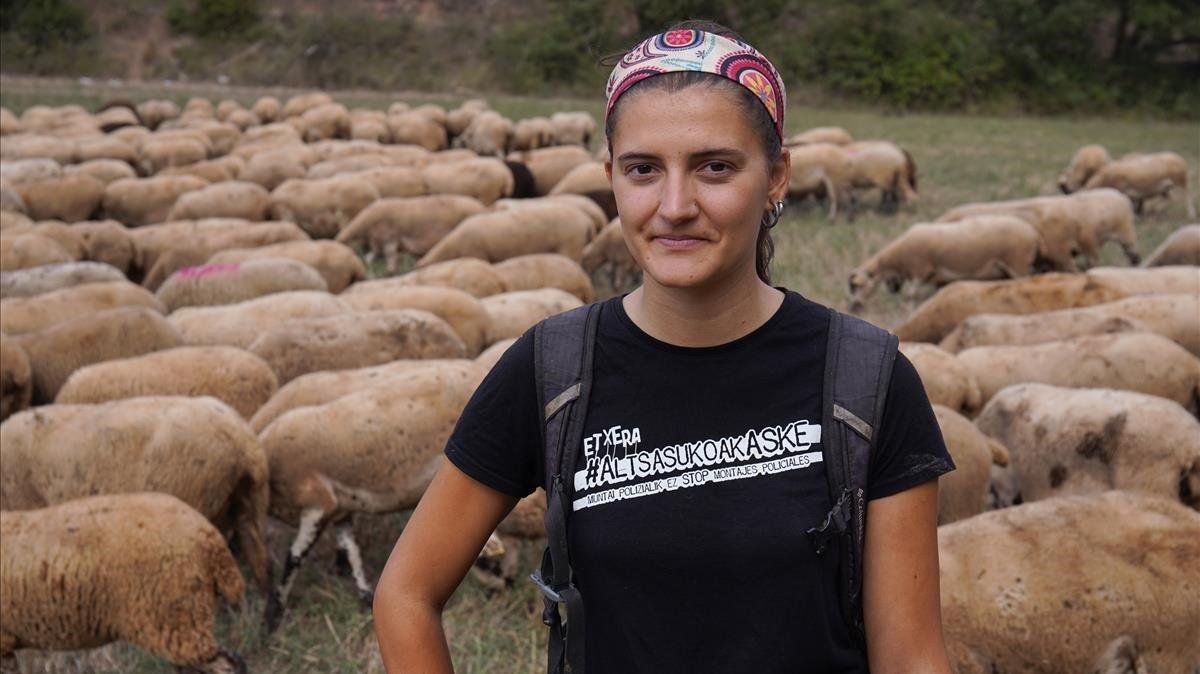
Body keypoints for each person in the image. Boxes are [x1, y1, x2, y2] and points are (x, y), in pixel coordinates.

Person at [374, 21, 955, 674]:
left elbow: (911, 658)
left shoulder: (866, 380)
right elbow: (405, 593)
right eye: (644, 170)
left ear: (777, 176)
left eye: (715, 167)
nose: (674, 205)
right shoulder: (552, 369)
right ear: (610, 178)